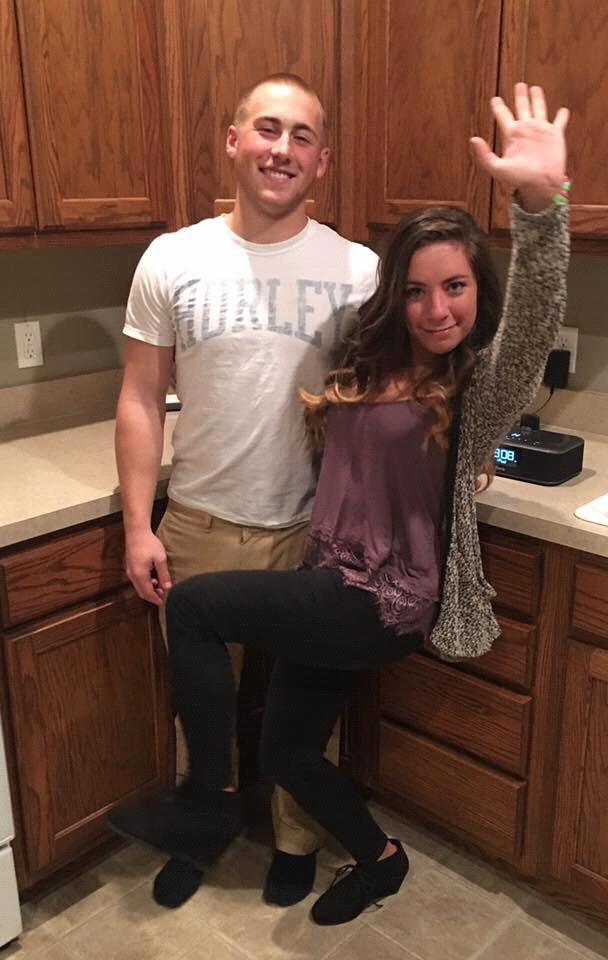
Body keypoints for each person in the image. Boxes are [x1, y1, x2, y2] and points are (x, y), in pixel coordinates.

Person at [109, 83, 570, 926]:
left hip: (379, 597)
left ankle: (207, 803)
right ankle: (381, 859)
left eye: (457, 287)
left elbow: (535, 321)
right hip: (324, 575)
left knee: (197, 612)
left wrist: (540, 204)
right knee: (288, 749)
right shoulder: (372, 360)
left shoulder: (475, 386)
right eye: (419, 290)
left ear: (480, 292)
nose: (437, 309)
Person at [112, 73, 379, 909]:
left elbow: (400, 396)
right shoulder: (173, 258)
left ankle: (297, 842)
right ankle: (201, 829)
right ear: (233, 142)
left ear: (322, 160)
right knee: (202, 703)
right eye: (267, 129)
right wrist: (138, 526)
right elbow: (139, 398)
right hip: (199, 522)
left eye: (302, 137)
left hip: (314, 530)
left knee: (306, 709)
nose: (281, 149)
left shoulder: (360, 271)